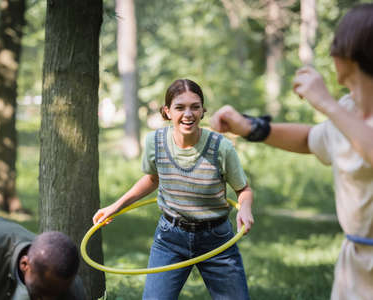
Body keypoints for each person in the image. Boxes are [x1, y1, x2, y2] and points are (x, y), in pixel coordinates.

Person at [210, 4, 373, 299]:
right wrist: (249, 127)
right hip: (355, 263)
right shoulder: (348, 110)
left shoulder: (340, 111)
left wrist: (326, 103)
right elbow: (310, 138)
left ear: (347, 53)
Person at [93, 79, 254, 300]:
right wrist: (115, 207)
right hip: (170, 238)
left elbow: (243, 189)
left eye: (195, 107)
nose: (188, 114)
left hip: (216, 238)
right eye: (180, 107)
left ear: (202, 111)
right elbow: (152, 179)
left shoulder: (220, 147)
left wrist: (245, 208)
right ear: (167, 111)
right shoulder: (155, 142)